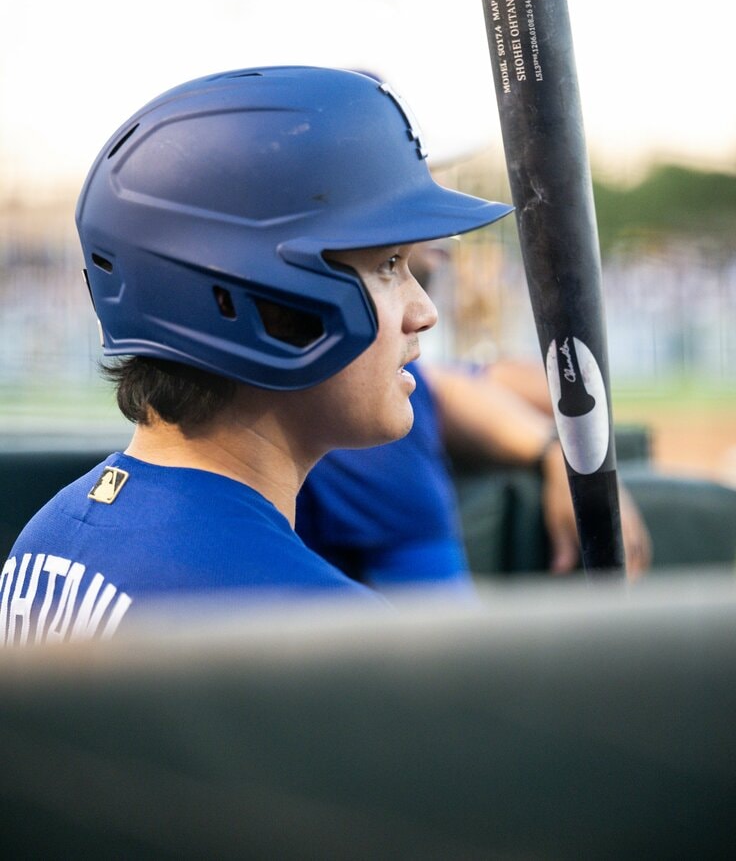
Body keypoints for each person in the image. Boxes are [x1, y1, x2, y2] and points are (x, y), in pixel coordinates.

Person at [0, 67, 511, 644]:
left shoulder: (46, 537)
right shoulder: (314, 629)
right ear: (264, 304)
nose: (423, 311)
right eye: (389, 266)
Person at [298, 243, 652, 586]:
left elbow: (452, 384)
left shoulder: (381, 385)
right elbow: (441, 632)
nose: (427, 312)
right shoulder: (364, 424)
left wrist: (556, 449)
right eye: (390, 263)